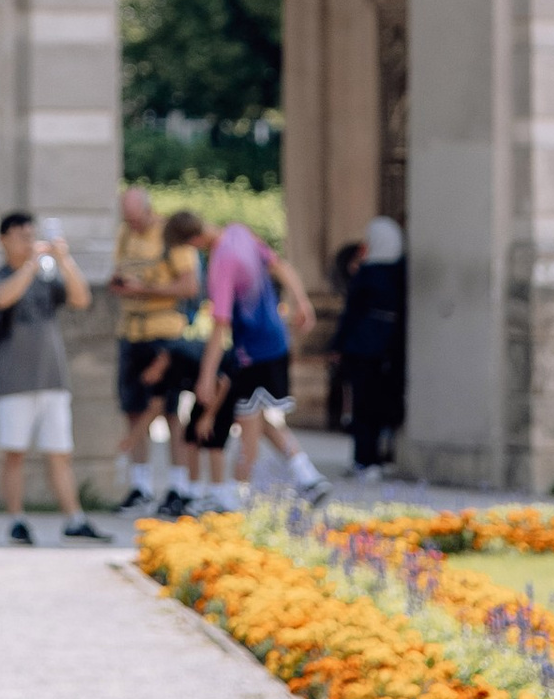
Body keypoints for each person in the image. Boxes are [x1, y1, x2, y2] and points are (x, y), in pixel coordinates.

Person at [181, 208, 328, 502]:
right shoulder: (240, 233)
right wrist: (302, 301)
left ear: (194, 241)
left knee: (247, 418)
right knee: (257, 418)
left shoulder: (221, 261)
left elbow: (219, 325)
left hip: (252, 350)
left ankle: (236, 493)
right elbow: (281, 267)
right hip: (275, 341)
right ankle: (307, 475)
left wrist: (207, 376)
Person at [0, 212, 108, 545]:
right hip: (14, 382)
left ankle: (74, 518)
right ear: (3, 240)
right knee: (14, 452)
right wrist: (31, 264)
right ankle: (16, 520)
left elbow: (81, 298)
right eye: (20, 235)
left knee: (60, 452)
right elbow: (1, 298)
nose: (27, 241)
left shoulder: (46, 277)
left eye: (30, 235)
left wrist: (64, 260)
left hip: (53, 379)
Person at [108, 188, 204, 514]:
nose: (132, 225)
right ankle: (142, 486)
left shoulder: (169, 236)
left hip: (165, 336)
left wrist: (145, 290)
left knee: (171, 413)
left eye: (136, 219)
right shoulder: (124, 235)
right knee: (133, 410)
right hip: (131, 333)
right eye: (127, 219)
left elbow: (190, 287)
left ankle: (179, 487)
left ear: (148, 211)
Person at [333, 212, 409, 474]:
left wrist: (338, 345)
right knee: (381, 404)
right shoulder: (401, 272)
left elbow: (352, 313)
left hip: (362, 348)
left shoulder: (368, 273)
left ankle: (363, 459)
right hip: (389, 349)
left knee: (362, 406)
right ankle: (378, 458)